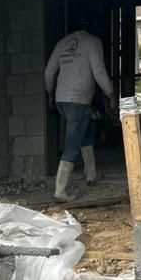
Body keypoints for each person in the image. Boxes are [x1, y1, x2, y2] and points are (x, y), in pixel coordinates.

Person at [43, 19, 114, 202]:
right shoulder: (93, 42)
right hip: (79, 100)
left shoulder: (62, 43)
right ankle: (60, 190)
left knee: (85, 132)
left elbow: (49, 71)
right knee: (73, 144)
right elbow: (98, 70)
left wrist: (50, 92)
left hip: (61, 99)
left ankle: (91, 174)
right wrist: (111, 94)